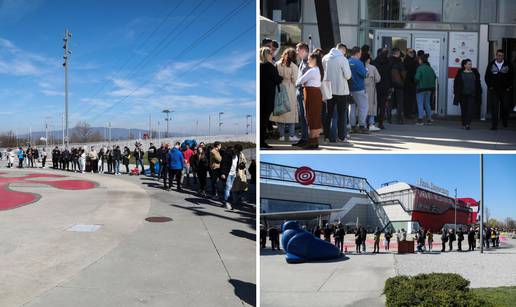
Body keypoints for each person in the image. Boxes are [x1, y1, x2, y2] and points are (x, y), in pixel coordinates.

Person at [322, 43, 352, 143]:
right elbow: (348, 76)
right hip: (341, 90)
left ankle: (326, 136)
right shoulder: (343, 59)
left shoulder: (325, 58)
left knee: (329, 114)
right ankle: (341, 137)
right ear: (342, 50)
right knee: (341, 115)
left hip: (329, 90)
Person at [295, 51, 324, 149]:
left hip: (311, 94)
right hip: (316, 93)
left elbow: (300, 80)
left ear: (314, 59)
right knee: (315, 117)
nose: (307, 61)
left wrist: (302, 82)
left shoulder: (312, 70)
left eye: (309, 59)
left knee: (311, 117)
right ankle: (314, 141)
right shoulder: (319, 69)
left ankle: (312, 142)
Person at [270, 48, 299, 142]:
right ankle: (291, 135)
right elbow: (295, 80)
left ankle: (281, 136)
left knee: (280, 113)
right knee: (291, 112)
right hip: (290, 88)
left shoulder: (277, 64)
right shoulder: (294, 66)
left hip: (279, 88)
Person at [485, 49, 514, 130]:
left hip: (505, 90)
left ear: (503, 56)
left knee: (505, 106)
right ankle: (494, 125)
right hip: (494, 90)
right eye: (498, 55)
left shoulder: (508, 64)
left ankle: (505, 120)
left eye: (501, 55)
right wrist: (490, 86)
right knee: (494, 107)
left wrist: (509, 87)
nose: (499, 57)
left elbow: (512, 77)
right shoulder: (491, 64)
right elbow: (487, 77)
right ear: (496, 56)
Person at [260, 46, 283, 149]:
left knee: (262, 120)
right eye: (270, 53)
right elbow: (277, 79)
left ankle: (261, 141)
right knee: (264, 121)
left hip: (262, 96)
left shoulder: (260, 66)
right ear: (266, 55)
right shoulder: (269, 66)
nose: (272, 54)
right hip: (268, 97)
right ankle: (262, 142)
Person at [454, 58, 482, 130]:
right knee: (464, 110)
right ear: (465, 65)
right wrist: (455, 92)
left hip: (472, 95)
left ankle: (467, 124)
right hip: (462, 94)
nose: (470, 65)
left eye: (471, 64)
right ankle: (464, 123)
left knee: (470, 110)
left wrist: (479, 92)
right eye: (469, 64)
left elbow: (478, 83)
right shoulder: (460, 72)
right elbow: (456, 83)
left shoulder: (475, 72)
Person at [293, 42, 311, 148]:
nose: (296, 52)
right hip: (301, 91)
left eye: (298, 50)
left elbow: (308, 77)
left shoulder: (308, 62)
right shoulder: (303, 61)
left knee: (306, 117)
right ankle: (304, 138)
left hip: (304, 91)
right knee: (303, 117)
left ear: (303, 50)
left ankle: (307, 139)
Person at [348, 47, 369, 134]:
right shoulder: (358, 62)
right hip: (359, 88)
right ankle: (362, 125)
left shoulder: (347, 61)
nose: (360, 55)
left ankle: (352, 126)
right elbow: (365, 74)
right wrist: (366, 69)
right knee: (363, 107)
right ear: (357, 53)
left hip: (349, 88)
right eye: (360, 53)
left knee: (351, 108)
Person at [414, 54, 436, 125]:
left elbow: (417, 78)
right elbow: (434, 77)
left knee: (420, 104)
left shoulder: (420, 68)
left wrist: (415, 82)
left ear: (421, 60)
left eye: (419, 60)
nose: (418, 61)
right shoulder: (430, 68)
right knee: (427, 103)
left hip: (420, 88)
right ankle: (429, 119)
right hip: (429, 89)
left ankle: (420, 120)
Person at [373, 48, 392, 129]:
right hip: (385, 86)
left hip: (376, 85)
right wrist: (390, 86)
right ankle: (381, 123)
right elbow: (390, 76)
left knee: (375, 104)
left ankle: (373, 121)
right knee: (383, 105)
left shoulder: (374, 62)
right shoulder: (389, 63)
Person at [363, 53, 381, 131]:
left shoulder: (360, 66)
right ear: (368, 59)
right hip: (371, 89)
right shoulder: (373, 68)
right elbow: (378, 79)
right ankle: (371, 123)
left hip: (361, 88)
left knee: (361, 107)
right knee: (372, 105)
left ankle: (361, 123)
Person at [390, 48, 406, 124]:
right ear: (398, 53)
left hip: (390, 85)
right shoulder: (400, 63)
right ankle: (400, 118)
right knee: (400, 102)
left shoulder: (388, 61)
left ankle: (389, 118)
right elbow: (403, 74)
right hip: (399, 84)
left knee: (390, 102)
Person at [403, 49, 419, 118]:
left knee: (409, 99)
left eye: (413, 52)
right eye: (411, 52)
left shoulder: (406, 61)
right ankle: (409, 113)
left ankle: (408, 113)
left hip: (408, 83)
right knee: (410, 99)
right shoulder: (413, 62)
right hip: (410, 83)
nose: (412, 54)